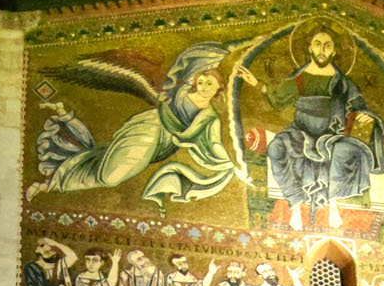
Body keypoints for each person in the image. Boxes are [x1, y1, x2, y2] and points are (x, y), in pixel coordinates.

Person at [37, 44, 240, 205]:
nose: (203, 86)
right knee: (111, 177)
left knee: (109, 167)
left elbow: (214, 145)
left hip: (165, 146)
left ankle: (56, 179)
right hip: (150, 129)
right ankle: (58, 181)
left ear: (218, 89)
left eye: (209, 84)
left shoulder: (209, 117)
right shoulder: (177, 93)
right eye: (202, 81)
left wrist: (234, 165)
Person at [258, 27, 382, 226]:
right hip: (300, 130)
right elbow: (278, 98)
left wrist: (368, 117)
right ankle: (295, 203)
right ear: (310, 49)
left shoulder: (342, 83)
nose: (322, 49)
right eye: (318, 44)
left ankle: (333, 204)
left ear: (333, 52)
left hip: (332, 134)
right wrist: (257, 84)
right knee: (276, 148)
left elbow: (360, 108)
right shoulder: (300, 77)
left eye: (327, 45)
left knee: (346, 151)